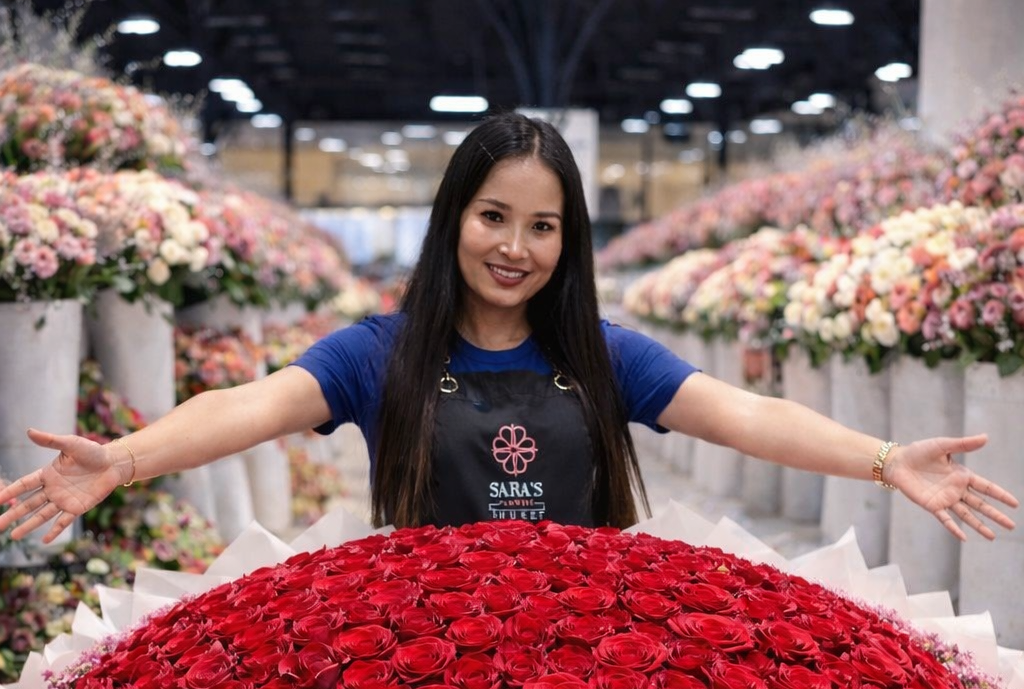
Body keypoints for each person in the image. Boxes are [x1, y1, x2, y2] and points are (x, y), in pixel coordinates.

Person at [0, 111, 1017, 542]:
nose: (515, 247)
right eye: (493, 217)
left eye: (543, 226)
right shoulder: (378, 352)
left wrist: (886, 459)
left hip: (588, 652)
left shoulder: (603, 356)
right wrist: (123, 462)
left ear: (567, 240)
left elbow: (745, 414)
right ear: (454, 220)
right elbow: (251, 403)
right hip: (425, 657)